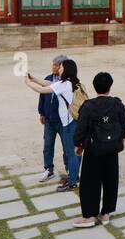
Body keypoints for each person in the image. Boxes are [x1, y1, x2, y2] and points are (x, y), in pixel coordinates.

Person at [71, 71, 125, 227]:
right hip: (112, 149)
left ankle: (89, 216)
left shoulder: (88, 106)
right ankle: (105, 213)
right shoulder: (117, 104)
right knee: (111, 180)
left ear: (94, 86)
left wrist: (78, 146)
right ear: (110, 86)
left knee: (90, 181)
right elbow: (124, 126)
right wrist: (121, 140)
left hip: (93, 149)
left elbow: (81, 128)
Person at [24, 58, 87, 191]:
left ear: (66, 69)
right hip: (77, 121)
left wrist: (27, 82)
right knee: (76, 151)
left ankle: (72, 182)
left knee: (71, 153)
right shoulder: (74, 83)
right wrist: (34, 78)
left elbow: (42, 90)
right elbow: (49, 83)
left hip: (70, 124)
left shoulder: (64, 85)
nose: (59, 69)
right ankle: (74, 177)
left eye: (61, 67)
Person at [32, 54, 67, 184]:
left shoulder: (67, 82)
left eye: (55, 65)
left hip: (63, 120)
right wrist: (41, 112)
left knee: (66, 146)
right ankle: (48, 169)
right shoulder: (48, 78)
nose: (53, 67)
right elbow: (42, 95)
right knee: (48, 145)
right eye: (53, 64)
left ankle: (69, 169)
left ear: (61, 67)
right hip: (49, 119)